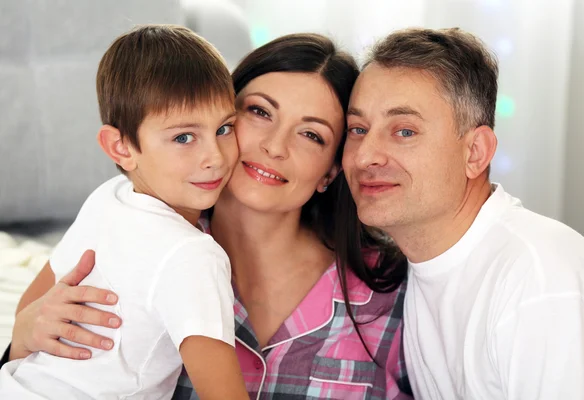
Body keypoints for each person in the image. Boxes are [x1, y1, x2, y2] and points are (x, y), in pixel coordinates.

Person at [3, 33, 412, 399]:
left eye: (311, 134)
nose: (274, 146)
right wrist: (22, 336)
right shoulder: (131, 221)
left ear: (331, 170)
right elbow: (29, 353)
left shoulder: (390, 294)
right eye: (259, 112)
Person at [343, 27, 584, 399]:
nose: (365, 156)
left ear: (475, 152)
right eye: (358, 128)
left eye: (404, 131)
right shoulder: (421, 267)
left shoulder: (541, 277)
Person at [0, 25, 249, 399]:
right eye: (184, 137)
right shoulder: (194, 255)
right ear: (119, 147)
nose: (214, 157)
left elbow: (29, 310)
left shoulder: (109, 196)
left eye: (224, 128)